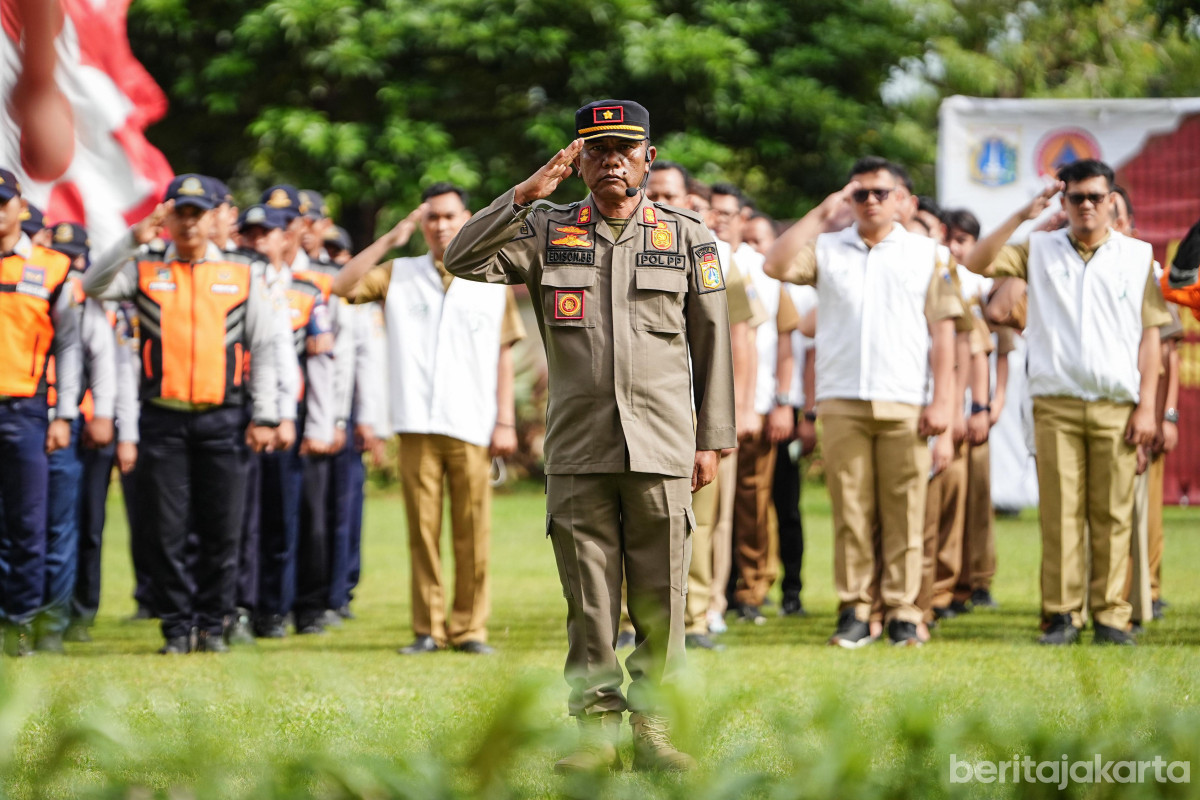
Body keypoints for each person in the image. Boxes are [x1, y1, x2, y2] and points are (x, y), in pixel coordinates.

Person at [444, 99, 735, 773]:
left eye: (624, 149)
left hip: (663, 445)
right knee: (590, 599)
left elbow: (712, 341)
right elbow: (461, 258)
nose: (611, 161)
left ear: (647, 158)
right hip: (579, 448)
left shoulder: (687, 237)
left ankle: (656, 728)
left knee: (663, 597)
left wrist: (711, 438)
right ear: (578, 162)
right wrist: (523, 195)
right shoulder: (547, 230)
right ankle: (596, 731)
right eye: (596, 150)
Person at [964, 159, 1170, 646]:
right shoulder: (1039, 248)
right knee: (1060, 514)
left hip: (1115, 403)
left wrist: (1148, 408)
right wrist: (1024, 215)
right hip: (1054, 402)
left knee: (1113, 514)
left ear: (1112, 200)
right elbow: (975, 262)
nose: (1086, 206)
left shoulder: (1137, 256)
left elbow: (1151, 338)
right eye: (1077, 197)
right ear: (1064, 201)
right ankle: (1061, 615)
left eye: (1096, 197)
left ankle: (1111, 616)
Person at [764, 156, 962, 648]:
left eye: (880, 192)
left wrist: (942, 402)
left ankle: (903, 611)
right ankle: (855, 609)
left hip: (905, 399)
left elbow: (944, 334)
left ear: (901, 200)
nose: (870, 201)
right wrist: (821, 211)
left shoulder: (928, 253)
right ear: (848, 198)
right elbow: (775, 264)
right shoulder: (827, 247)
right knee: (851, 512)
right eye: (860, 193)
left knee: (905, 512)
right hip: (842, 398)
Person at [83, 174, 280, 654]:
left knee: (222, 531)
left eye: (198, 213)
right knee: (166, 532)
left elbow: (266, 347)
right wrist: (133, 238)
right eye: (181, 212)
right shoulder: (145, 269)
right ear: (167, 218)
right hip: (163, 422)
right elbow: (92, 285)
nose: (189, 222)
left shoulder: (241, 274)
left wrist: (266, 415)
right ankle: (175, 627)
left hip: (223, 419)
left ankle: (212, 625)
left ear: (213, 218)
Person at [335, 182, 523, 655]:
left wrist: (505, 421)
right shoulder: (398, 273)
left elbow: (504, 354)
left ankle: (470, 629)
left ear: (467, 219)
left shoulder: (491, 275)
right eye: (432, 217)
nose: (441, 225)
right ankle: (428, 629)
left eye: (449, 216)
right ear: (421, 223)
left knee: (472, 532)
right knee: (422, 533)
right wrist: (389, 240)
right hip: (416, 421)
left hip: (472, 422)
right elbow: (342, 286)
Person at [0, 167, 81, 656]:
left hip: (25, 410)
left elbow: (69, 346)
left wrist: (64, 413)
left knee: (27, 525)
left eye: (2, 202)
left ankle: (20, 623)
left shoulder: (52, 267)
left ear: (20, 207)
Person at [40, 223, 116, 653]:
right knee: (46, 523)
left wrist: (103, 415)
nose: (69, 264)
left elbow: (106, 363)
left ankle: (78, 612)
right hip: (43, 418)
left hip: (83, 425)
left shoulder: (89, 300)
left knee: (85, 524)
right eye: (62, 255)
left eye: (75, 257)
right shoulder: (38, 288)